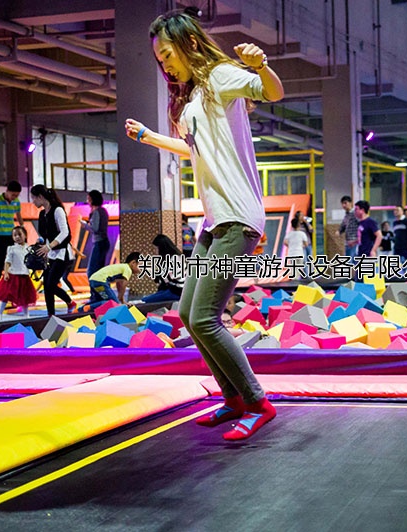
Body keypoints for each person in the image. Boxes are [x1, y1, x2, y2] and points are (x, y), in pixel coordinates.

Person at [124, 10, 284, 440]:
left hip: (238, 218)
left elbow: (272, 92)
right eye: (159, 59)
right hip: (214, 223)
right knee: (188, 315)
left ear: (189, 43)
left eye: (167, 54)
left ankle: (257, 402)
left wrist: (261, 66)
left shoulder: (219, 77)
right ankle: (233, 399)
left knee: (206, 318)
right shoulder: (194, 95)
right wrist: (149, 137)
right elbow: (194, 148)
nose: (164, 65)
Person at [31, 184, 77, 316]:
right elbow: (45, 235)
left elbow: (65, 232)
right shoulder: (42, 214)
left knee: (51, 284)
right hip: (50, 254)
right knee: (47, 285)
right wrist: (42, 243)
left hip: (62, 254)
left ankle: (70, 302)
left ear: (40, 197)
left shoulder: (58, 210)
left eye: (34, 198)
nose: (33, 201)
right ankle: (50, 314)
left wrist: (49, 246)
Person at [0, 226, 37, 320]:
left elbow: (31, 263)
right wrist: (6, 273)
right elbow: (7, 261)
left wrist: (35, 273)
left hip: (24, 276)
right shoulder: (11, 248)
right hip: (13, 275)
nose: (17, 237)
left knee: (25, 296)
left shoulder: (29, 248)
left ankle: (26, 314)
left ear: (25, 235)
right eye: (15, 235)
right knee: (6, 296)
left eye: (19, 235)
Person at [0, 181, 23, 290]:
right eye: (13, 195)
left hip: (11, 235)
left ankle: (12, 285)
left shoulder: (16, 202)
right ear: (7, 191)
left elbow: (19, 216)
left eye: (16, 195)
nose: (14, 197)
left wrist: (22, 228)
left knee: (13, 260)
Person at [143, 234, 185, 303]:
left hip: (176, 292)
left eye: (156, 249)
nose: (155, 251)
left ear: (161, 248)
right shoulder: (175, 257)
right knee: (145, 299)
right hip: (175, 290)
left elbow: (167, 280)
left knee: (144, 301)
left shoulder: (173, 259)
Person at [80, 189, 109, 278]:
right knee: (99, 270)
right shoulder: (103, 211)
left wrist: (85, 225)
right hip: (103, 242)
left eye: (89, 199)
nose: (87, 201)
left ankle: (95, 287)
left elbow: (95, 229)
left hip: (99, 242)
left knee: (92, 271)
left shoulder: (96, 212)